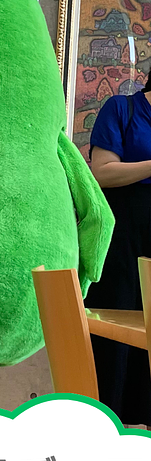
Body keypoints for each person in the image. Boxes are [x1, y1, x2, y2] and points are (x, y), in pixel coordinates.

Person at [87, 76, 151, 430]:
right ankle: (104, 428)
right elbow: (102, 172)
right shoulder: (122, 108)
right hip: (124, 239)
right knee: (114, 329)